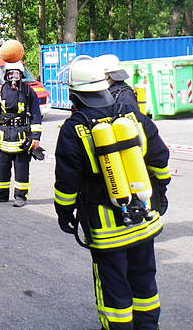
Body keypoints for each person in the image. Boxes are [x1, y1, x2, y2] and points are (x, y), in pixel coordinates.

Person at [54, 56, 170, 330]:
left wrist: (64, 213)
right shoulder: (133, 117)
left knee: (113, 289)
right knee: (145, 283)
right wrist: (160, 192)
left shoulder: (74, 128)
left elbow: (67, 181)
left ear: (74, 93)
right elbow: (159, 159)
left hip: (106, 230)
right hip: (144, 219)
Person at [0, 60, 43, 207]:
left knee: (22, 168)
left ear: (21, 75)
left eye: (16, 73)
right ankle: (1, 195)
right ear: (6, 75)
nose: (13, 76)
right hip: (3, 137)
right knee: (1, 167)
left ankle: (20, 197)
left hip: (22, 137)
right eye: (10, 73)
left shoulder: (29, 92)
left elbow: (36, 115)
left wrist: (36, 137)